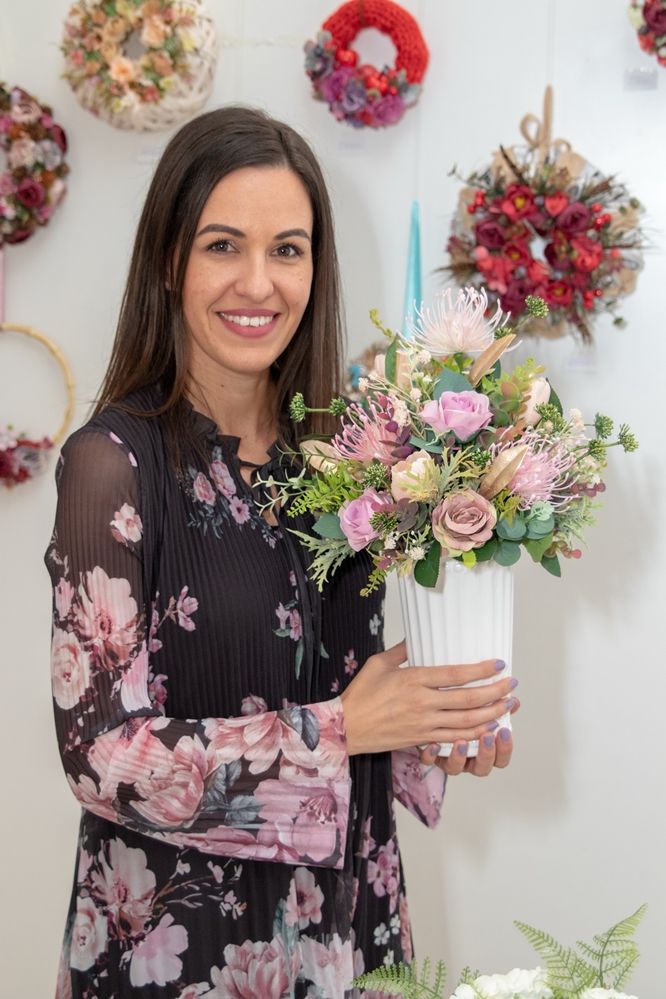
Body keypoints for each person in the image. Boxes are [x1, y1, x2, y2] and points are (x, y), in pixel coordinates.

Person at [46, 106, 519, 999]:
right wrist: (344, 729)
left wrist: (437, 718)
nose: (258, 283)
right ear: (169, 258)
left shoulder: (345, 462)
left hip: (350, 929)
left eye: (288, 249)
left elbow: (345, 689)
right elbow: (99, 753)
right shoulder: (112, 465)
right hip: (181, 948)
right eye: (223, 245)